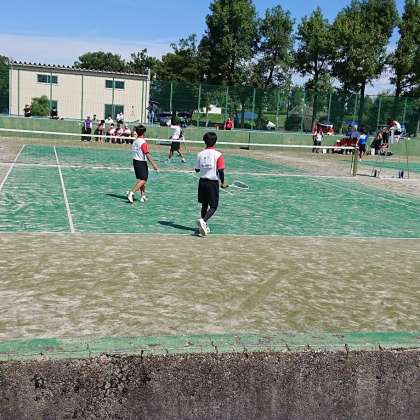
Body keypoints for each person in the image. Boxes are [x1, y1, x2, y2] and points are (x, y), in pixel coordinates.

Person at [195, 132, 227, 237]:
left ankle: (203, 226)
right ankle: (203, 221)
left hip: (202, 183)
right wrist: (222, 182)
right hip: (212, 183)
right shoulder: (218, 155)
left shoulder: (200, 154)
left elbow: (197, 169)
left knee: (204, 205)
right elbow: (221, 170)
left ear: (204, 141)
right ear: (215, 141)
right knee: (213, 206)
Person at [127, 125, 158, 203]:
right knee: (143, 180)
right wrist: (153, 164)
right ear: (144, 132)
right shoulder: (143, 142)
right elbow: (147, 154)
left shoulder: (135, 141)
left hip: (135, 161)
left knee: (141, 179)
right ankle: (131, 192)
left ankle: (142, 196)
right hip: (141, 162)